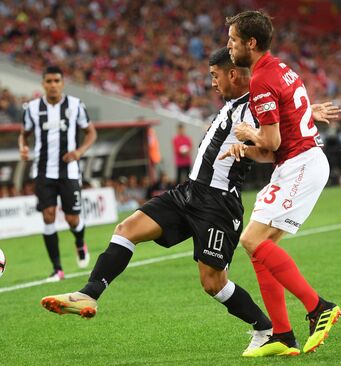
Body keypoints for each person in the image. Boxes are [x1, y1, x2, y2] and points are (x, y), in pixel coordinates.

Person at [41, 48, 276, 355]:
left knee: (213, 283)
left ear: (232, 73)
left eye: (214, 76)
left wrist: (250, 144)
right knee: (127, 229)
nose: (212, 83)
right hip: (189, 192)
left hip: (218, 205)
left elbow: (273, 145)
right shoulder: (231, 104)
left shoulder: (255, 106)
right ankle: (89, 293)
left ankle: (265, 329)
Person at [223, 10, 341, 357]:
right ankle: (283, 335)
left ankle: (319, 306)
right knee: (259, 249)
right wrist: (247, 148)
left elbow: (271, 142)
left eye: (232, 40)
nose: (229, 46)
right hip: (295, 163)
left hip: (300, 164)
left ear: (251, 43)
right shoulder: (281, 68)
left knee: (251, 239)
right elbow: (272, 148)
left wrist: (249, 134)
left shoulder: (261, 80)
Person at [19, 65, 97, 282]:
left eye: (56, 81)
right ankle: (57, 270)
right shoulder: (33, 108)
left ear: (62, 83)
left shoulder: (75, 105)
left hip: (69, 171)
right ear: (43, 84)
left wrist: (79, 152)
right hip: (43, 171)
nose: (52, 85)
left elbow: (91, 132)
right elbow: (23, 134)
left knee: (72, 219)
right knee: (48, 216)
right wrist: (23, 147)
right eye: (49, 81)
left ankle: (80, 242)